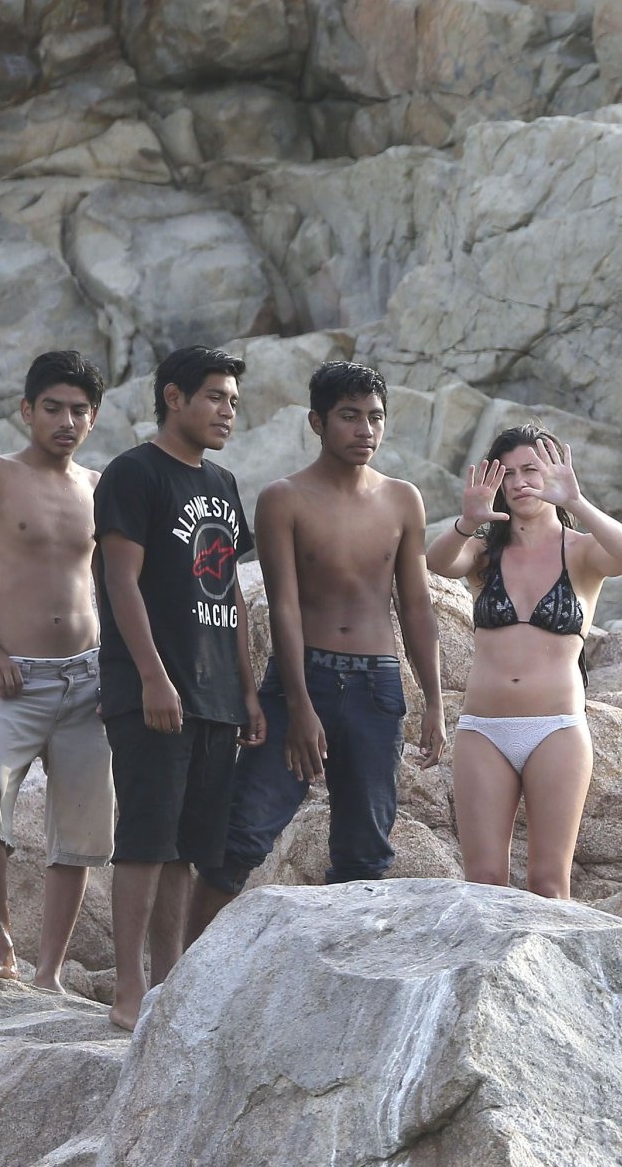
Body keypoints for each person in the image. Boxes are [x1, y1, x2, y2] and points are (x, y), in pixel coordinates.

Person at [188, 362, 445, 933]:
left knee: (364, 854)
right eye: (349, 416)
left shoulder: (403, 499)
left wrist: (433, 701)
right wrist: (301, 706)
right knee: (239, 839)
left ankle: (344, 970)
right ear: (317, 422)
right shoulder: (285, 498)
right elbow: (283, 605)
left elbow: (416, 606)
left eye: (375, 417)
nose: (365, 430)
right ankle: (181, 971)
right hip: (302, 680)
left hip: (377, 685)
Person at [0, 350, 112, 995]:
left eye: (79, 411)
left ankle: (50, 972)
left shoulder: (98, 486)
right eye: (53, 408)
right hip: (15, 680)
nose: (66, 421)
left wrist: (120, 669)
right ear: (27, 410)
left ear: (94, 417)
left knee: (80, 829)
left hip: (88, 680)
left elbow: (116, 584)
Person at [95, 345, 266, 1031]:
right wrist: (152, 677)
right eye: (215, 397)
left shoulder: (222, 483)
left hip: (214, 694)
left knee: (188, 847)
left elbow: (231, 593)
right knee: (145, 837)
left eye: (233, 401)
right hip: (153, 690)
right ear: (174, 397)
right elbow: (120, 582)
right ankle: (127, 986)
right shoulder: (133, 473)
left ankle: (169, 981)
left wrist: (246, 690)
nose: (228, 412)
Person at [426, 426, 622, 898]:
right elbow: (438, 563)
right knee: (483, 882)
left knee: (549, 884)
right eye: (508, 474)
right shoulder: (483, 553)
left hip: (556, 729)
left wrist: (578, 502)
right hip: (483, 730)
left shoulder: (581, 551)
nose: (520, 482)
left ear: (555, 475)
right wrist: (466, 521)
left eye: (532, 470)